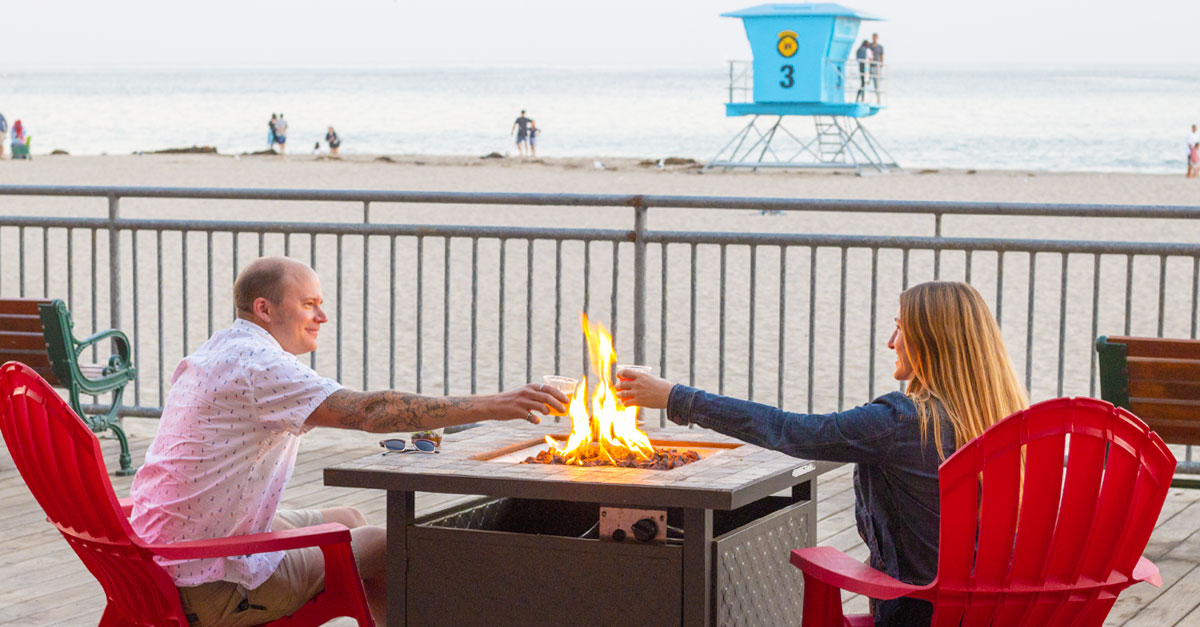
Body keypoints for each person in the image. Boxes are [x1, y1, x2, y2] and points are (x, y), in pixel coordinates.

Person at [130, 256, 567, 626]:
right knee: (389, 545)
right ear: (264, 308)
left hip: (161, 553)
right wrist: (494, 404)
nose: (322, 318)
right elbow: (369, 412)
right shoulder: (259, 366)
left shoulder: (220, 350)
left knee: (351, 516)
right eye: (309, 305)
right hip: (206, 580)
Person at [616, 281, 1028, 627]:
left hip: (919, 613)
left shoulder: (902, 422)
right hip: (1000, 612)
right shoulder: (1006, 422)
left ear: (931, 341)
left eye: (900, 329)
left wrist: (677, 398)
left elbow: (789, 430)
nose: (891, 342)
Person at [870, 33, 885, 103]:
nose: (874, 39)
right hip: (869, 66)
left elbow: (882, 56)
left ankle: (878, 98)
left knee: (877, 84)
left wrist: (881, 63)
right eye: (873, 37)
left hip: (876, 66)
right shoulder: (869, 46)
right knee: (866, 82)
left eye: (875, 37)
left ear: (877, 38)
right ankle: (864, 98)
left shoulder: (880, 47)